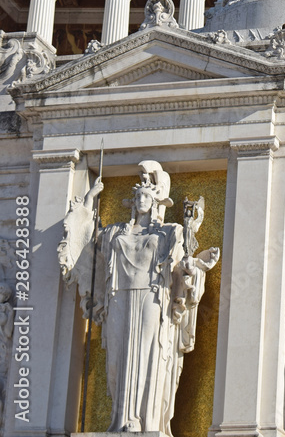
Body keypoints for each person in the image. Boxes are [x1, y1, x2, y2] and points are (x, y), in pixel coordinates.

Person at [59, 161, 219, 435]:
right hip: (117, 299)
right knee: (117, 359)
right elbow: (88, 249)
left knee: (148, 355)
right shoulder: (113, 233)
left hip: (153, 299)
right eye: (137, 195)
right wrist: (87, 201)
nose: (141, 198)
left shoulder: (171, 232)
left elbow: (180, 271)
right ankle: (120, 418)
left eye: (147, 193)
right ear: (132, 201)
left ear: (157, 199)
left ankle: (147, 422)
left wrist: (195, 270)